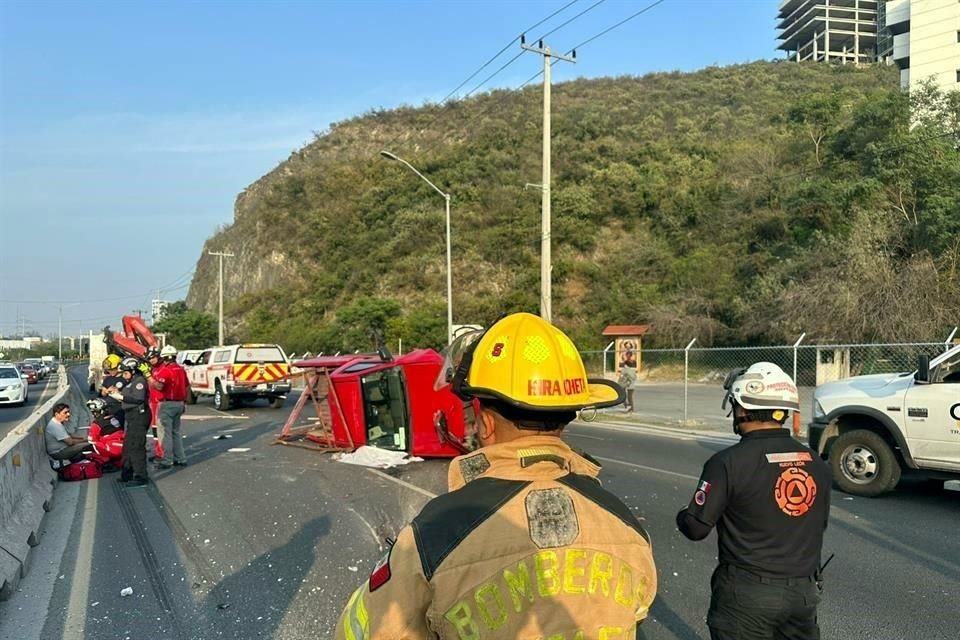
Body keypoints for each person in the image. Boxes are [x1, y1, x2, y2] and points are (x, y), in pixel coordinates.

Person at [335, 312, 658, 639]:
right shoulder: (627, 526)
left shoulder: (434, 536)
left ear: (485, 423)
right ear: (566, 417)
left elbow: (361, 631)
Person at [676, 362, 831, 640]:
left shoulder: (727, 463)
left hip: (746, 596)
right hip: (803, 594)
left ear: (743, 408)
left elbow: (696, 528)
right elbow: (817, 522)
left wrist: (684, 514)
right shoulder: (815, 462)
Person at [146, 344, 189, 468]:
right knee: (175, 432)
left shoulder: (166, 370)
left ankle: (167, 460)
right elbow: (186, 386)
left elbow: (159, 386)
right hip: (179, 403)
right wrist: (184, 402)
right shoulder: (181, 369)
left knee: (165, 433)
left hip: (167, 404)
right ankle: (180, 458)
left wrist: (149, 376)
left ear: (164, 358)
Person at [111, 356, 151, 487]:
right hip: (131, 416)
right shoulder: (130, 383)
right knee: (128, 447)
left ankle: (141, 476)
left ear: (133, 371)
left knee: (136, 447)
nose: (124, 375)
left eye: (126, 372)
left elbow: (138, 399)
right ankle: (127, 474)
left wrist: (121, 396)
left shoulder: (139, 382)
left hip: (139, 416)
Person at [86, 397, 125, 466]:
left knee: (87, 448)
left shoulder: (96, 424)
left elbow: (91, 441)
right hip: (123, 447)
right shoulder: (114, 418)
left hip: (111, 450)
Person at [99, 354, 126, 428]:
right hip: (108, 409)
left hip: (120, 410)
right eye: (108, 370)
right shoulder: (108, 379)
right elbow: (102, 394)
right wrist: (105, 391)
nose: (110, 372)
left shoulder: (124, 378)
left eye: (111, 369)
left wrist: (117, 392)